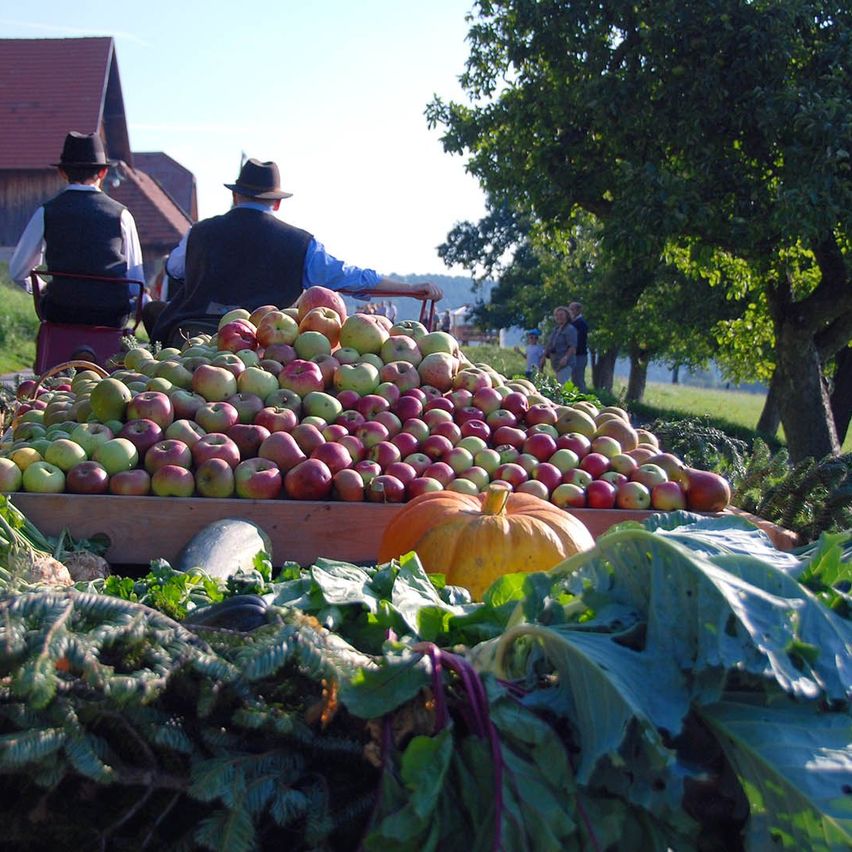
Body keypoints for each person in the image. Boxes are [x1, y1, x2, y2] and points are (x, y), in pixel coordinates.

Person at [150, 158, 442, 346]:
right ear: (276, 203)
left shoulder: (199, 232)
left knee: (154, 313)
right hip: (263, 347)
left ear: (235, 195)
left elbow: (175, 269)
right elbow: (349, 278)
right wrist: (410, 289)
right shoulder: (299, 243)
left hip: (191, 338)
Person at [9, 131, 144, 327]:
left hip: (61, 311)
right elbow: (135, 283)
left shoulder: (46, 212)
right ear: (103, 173)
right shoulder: (122, 215)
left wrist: (42, 287)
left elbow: (17, 271)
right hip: (110, 316)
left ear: (63, 173)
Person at [543, 305, 577, 385]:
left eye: (561, 315)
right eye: (556, 315)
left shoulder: (570, 329)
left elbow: (572, 346)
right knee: (558, 384)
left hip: (566, 364)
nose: (559, 317)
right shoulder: (556, 329)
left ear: (567, 316)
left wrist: (565, 358)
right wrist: (543, 357)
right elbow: (550, 344)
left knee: (563, 385)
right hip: (556, 363)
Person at [569, 301, 588, 392]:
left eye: (572, 309)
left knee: (579, 380)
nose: (570, 311)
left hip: (579, 356)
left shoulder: (581, 323)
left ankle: (584, 400)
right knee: (574, 379)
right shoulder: (573, 323)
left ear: (578, 310)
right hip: (574, 355)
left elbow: (578, 341)